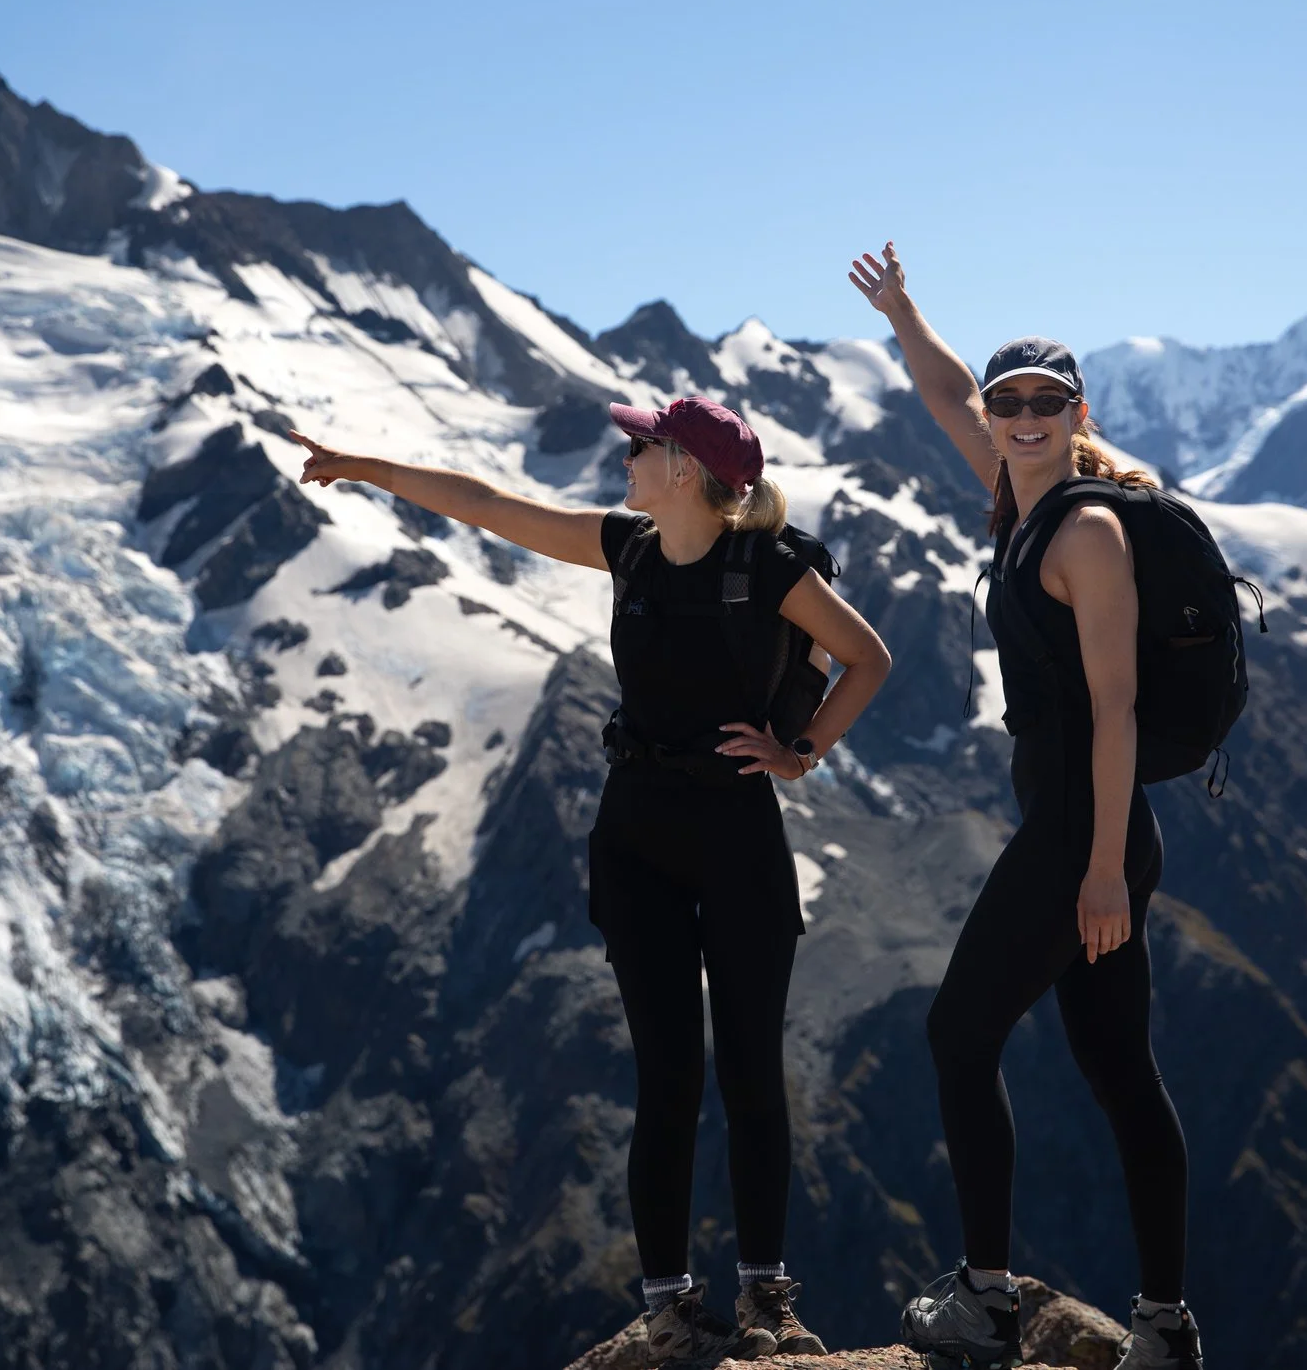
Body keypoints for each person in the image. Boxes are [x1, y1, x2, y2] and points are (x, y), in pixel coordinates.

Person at [293, 395, 890, 1363]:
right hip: (638, 835)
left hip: (735, 830)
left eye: (640, 445)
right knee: (667, 1075)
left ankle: (766, 1298)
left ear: (686, 469)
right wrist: (365, 466)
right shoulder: (631, 545)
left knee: (749, 1074)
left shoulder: (770, 566)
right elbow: (486, 502)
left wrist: (803, 751)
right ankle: (668, 1301)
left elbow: (869, 656)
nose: (624, 456)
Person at [848, 244, 1203, 1370]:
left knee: (959, 1033)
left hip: (1081, 833)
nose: (1023, 416)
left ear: (1077, 411)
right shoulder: (1016, 499)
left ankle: (988, 1298)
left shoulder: (1087, 530)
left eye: (1047, 401)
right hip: (1081, 829)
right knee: (1117, 1070)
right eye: (1011, 404)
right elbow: (946, 393)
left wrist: (1101, 868)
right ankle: (1162, 1326)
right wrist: (905, 314)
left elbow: (1114, 706)